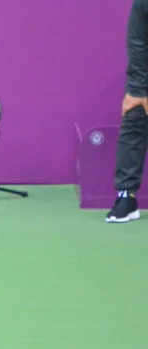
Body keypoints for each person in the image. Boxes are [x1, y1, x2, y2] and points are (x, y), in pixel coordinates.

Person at [107, 0, 148, 223]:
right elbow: (138, 40)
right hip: (144, 72)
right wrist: (138, 90)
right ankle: (126, 198)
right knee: (134, 114)